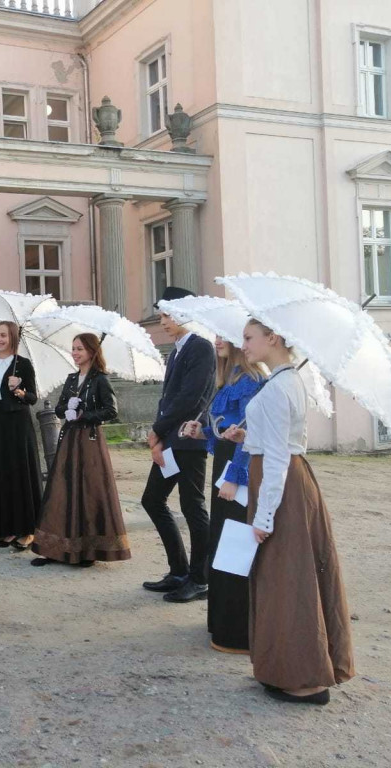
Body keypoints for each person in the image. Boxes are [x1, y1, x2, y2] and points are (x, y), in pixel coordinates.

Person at [221, 319, 355, 705]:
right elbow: (281, 441)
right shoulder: (281, 381)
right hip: (279, 480)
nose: (242, 344)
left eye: (249, 338)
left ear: (273, 338)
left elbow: (282, 456)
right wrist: (248, 435)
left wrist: (264, 518)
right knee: (278, 580)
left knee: (291, 581)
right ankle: (281, 668)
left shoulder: (282, 385)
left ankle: (307, 680)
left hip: (284, 488)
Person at [179, 337, 265, 653]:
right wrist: (200, 432)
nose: (217, 341)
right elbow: (224, 432)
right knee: (221, 543)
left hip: (239, 472)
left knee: (235, 545)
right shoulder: (229, 379)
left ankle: (238, 631)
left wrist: (233, 476)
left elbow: (250, 436)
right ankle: (222, 622)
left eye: (225, 335)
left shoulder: (254, 381)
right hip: (224, 467)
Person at [140, 287, 216, 603]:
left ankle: (201, 579)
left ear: (185, 313)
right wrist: (160, 438)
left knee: (192, 507)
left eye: (167, 315)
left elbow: (191, 398)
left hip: (189, 440)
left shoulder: (201, 347)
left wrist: (157, 431)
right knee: (153, 500)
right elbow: (169, 398)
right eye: (161, 316)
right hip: (172, 441)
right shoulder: (178, 350)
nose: (163, 321)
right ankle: (179, 571)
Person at [31, 333, 130, 567]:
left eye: (80, 349)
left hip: (90, 442)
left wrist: (84, 413)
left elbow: (111, 411)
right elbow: (58, 408)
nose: (75, 353)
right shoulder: (72, 379)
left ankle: (87, 551)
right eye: (73, 349)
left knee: (88, 493)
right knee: (62, 492)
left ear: (91, 352)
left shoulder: (100, 380)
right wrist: (66, 409)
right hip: (69, 441)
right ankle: (55, 550)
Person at [0, 321, 42, 551]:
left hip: (17, 423)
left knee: (20, 474)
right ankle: (5, 527)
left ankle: (27, 530)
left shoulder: (23, 364)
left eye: (3, 335)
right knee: (0, 474)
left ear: (13, 337)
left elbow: (33, 398)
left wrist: (19, 390)